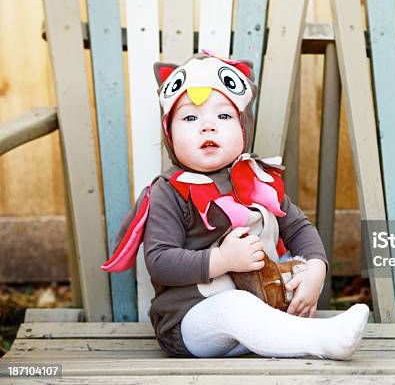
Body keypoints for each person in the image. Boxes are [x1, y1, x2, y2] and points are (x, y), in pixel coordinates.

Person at [101, 51, 370, 360]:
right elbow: (160, 261)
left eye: (224, 116)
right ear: (170, 135)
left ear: (243, 128)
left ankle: (293, 334)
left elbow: (298, 227)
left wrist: (316, 269)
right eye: (190, 117)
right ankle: (323, 341)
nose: (207, 127)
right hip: (193, 320)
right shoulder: (170, 192)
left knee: (288, 281)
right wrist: (222, 260)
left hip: (263, 309)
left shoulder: (257, 181)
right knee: (236, 307)